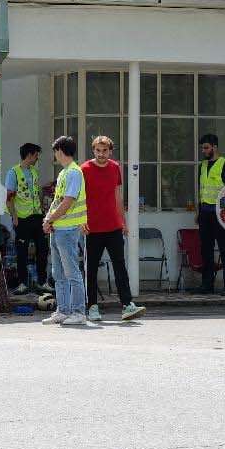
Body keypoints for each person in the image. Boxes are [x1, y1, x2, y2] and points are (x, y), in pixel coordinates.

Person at [82, 136, 144, 322]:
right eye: (98, 150)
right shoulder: (84, 169)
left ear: (110, 151)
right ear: (93, 150)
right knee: (91, 268)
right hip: (92, 227)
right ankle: (92, 307)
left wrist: (123, 222)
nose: (101, 154)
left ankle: (127, 305)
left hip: (113, 226)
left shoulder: (115, 167)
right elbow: (79, 198)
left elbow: (118, 196)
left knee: (120, 266)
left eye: (105, 151)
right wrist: (81, 220)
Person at [42, 136, 89, 326]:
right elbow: (58, 201)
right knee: (59, 273)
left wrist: (49, 219)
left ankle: (78, 312)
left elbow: (68, 201)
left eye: (55, 151)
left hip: (67, 230)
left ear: (60, 151)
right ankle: (63, 310)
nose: (55, 155)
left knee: (72, 273)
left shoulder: (74, 173)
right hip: (58, 228)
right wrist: (49, 220)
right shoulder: (64, 173)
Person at [5, 143, 50, 294]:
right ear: (30, 155)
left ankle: (42, 282)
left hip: (37, 216)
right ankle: (22, 283)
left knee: (42, 249)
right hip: (22, 218)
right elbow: (9, 196)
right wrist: (14, 216)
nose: (37, 158)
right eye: (36, 155)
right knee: (22, 252)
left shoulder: (34, 171)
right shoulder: (14, 172)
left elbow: (36, 193)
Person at [195, 133, 225, 295]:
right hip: (205, 213)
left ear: (215, 147)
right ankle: (207, 285)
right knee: (206, 250)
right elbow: (202, 190)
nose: (203, 151)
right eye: (202, 148)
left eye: (206, 148)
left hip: (221, 215)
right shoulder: (203, 166)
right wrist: (199, 211)